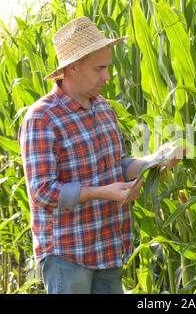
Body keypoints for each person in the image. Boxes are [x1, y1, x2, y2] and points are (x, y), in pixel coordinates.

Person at [18, 16, 183, 294]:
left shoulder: (104, 109)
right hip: (68, 254)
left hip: (108, 247)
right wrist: (104, 192)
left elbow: (115, 166)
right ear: (72, 67)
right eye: (99, 69)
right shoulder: (42, 118)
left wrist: (155, 159)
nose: (107, 77)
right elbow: (42, 192)